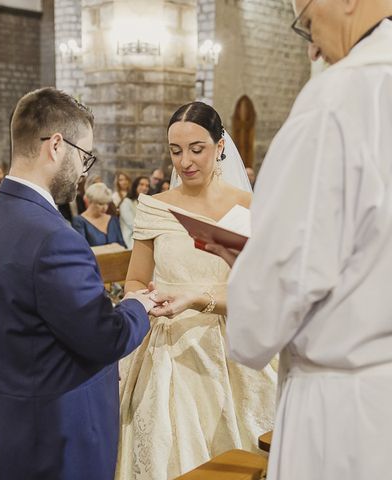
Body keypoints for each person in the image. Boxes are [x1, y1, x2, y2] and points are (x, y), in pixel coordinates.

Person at [211, 3, 392, 480]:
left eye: (309, 22)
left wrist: (249, 268)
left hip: (358, 417)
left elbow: (260, 323)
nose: (314, 44)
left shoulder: (338, 100)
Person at [0, 87, 154, 480]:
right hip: (55, 434)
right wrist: (139, 306)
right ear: (56, 145)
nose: (84, 171)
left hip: (3, 421)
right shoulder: (56, 237)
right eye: (84, 156)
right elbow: (105, 336)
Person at [117, 101, 277, 480]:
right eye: (175, 151)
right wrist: (146, 300)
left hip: (233, 340)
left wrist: (198, 299)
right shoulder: (155, 208)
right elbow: (135, 280)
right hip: (169, 345)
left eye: (196, 149)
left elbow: (262, 294)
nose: (185, 161)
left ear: (220, 146)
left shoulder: (250, 209)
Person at [71, 182, 126, 248]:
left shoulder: (113, 220)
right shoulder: (79, 221)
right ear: (90, 201)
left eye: (106, 203)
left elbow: (123, 246)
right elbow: (81, 249)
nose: (104, 207)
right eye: (100, 203)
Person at [119, 176, 149, 249]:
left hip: (145, 235)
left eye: (147, 186)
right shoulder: (126, 203)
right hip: (131, 238)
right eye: (141, 184)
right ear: (135, 186)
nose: (144, 188)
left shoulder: (146, 203)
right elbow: (133, 225)